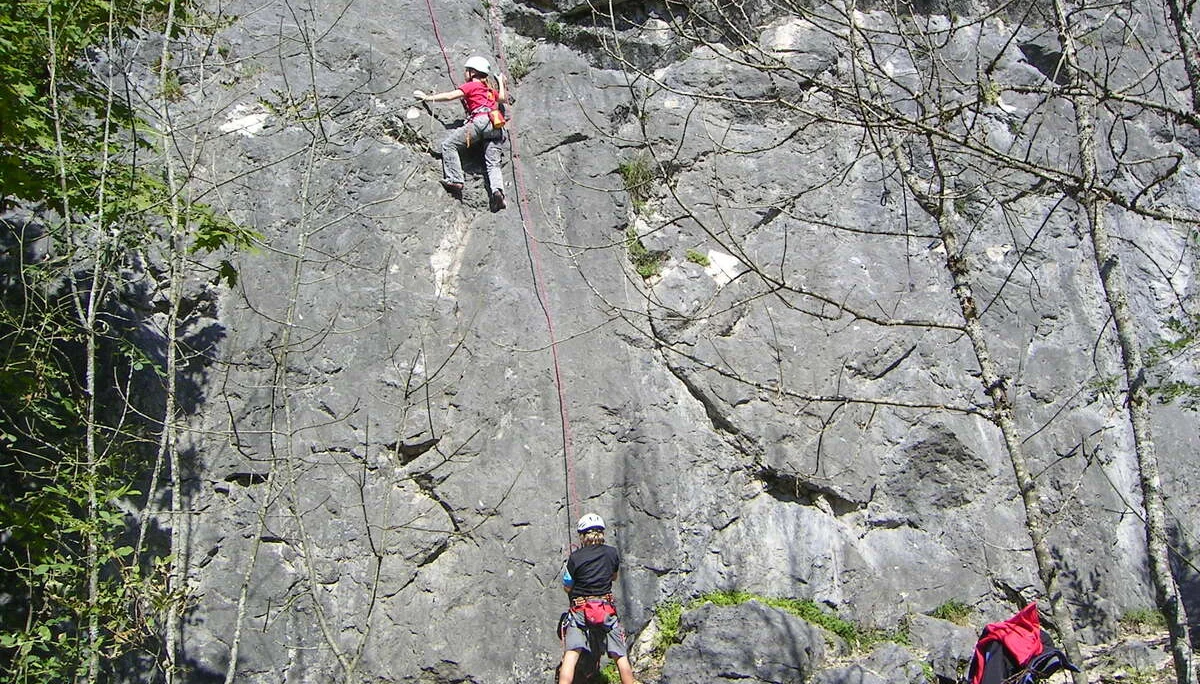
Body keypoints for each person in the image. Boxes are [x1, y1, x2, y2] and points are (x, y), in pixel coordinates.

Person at [417, 56, 508, 211]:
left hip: (480, 122)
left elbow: (450, 96)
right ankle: (497, 191)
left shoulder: (471, 86)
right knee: (493, 164)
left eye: (467, 71)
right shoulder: (489, 91)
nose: (465, 74)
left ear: (473, 72)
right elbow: (502, 98)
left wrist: (427, 97)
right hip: (496, 126)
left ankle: (455, 179)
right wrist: (500, 81)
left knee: (449, 145)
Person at [558, 514, 636, 684]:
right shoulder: (612, 553)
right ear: (601, 533)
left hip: (581, 611)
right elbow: (613, 577)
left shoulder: (575, 557)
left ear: (582, 535)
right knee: (620, 656)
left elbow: (567, 586)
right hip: (605, 608)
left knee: (571, 654)